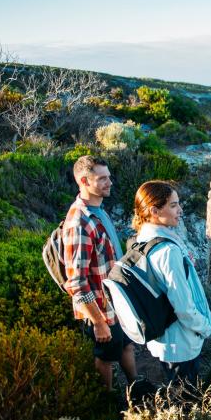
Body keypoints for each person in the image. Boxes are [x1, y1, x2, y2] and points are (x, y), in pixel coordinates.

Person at [131, 180, 211, 386]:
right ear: (154, 210)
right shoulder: (168, 252)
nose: (180, 210)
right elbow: (184, 307)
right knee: (185, 400)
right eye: (173, 205)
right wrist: (205, 328)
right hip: (180, 343)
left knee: (176, 391)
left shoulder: (141, 240)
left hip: (165, 338)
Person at [62, 155, 137, 390]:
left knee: (126, 345)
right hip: (102, 309)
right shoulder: (80, 222)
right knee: (105, 357)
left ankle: (135, 386)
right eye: (102, 179)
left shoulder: (98, 211)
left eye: (110, 177)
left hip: (117, 301)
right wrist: (98, 322)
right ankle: (108, 399)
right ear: (84, 181)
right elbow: (76, 281)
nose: (110, 183)